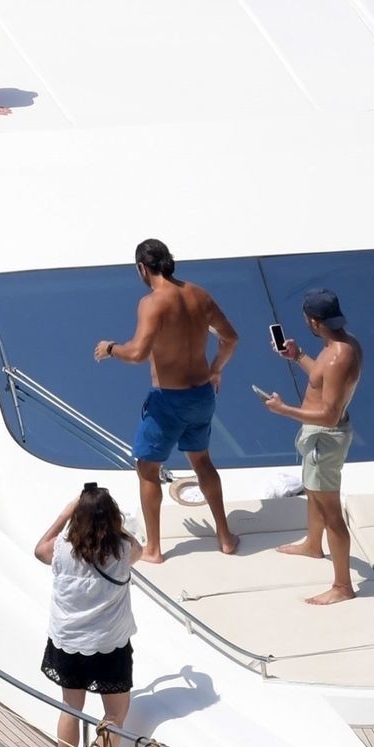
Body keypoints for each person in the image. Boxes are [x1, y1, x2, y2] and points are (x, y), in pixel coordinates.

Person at [93, 239, 241, 562]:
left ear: (142, 268)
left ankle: (154, 549)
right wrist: (216, 369)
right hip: (202, 396)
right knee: (202, 461)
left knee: (147, 468)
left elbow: (137, 353)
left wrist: (110, 348)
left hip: (168, 401)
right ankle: (225, 537)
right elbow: (231, 339)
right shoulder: (199, 295)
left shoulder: (152, 303)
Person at [259, 289, 364, 605]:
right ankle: (313, 545)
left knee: (331, 512)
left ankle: (343, 586)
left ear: (313, 321)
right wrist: (298, 355)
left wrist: (283, 409)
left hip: (324, 439)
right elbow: (321, 379)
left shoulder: (337, 356)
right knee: (312, 489)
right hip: (318, 437)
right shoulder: (340, 345)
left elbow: (330, 416)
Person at [35, 482, 140, 747]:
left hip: (69, 643)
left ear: (78, 517)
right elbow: (140, 550)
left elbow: (39, 550)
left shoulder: (62, 550)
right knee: (114, 714)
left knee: (71, 707)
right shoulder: (122, 551)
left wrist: (66, 513)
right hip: (110, 645)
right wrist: (116, 525)